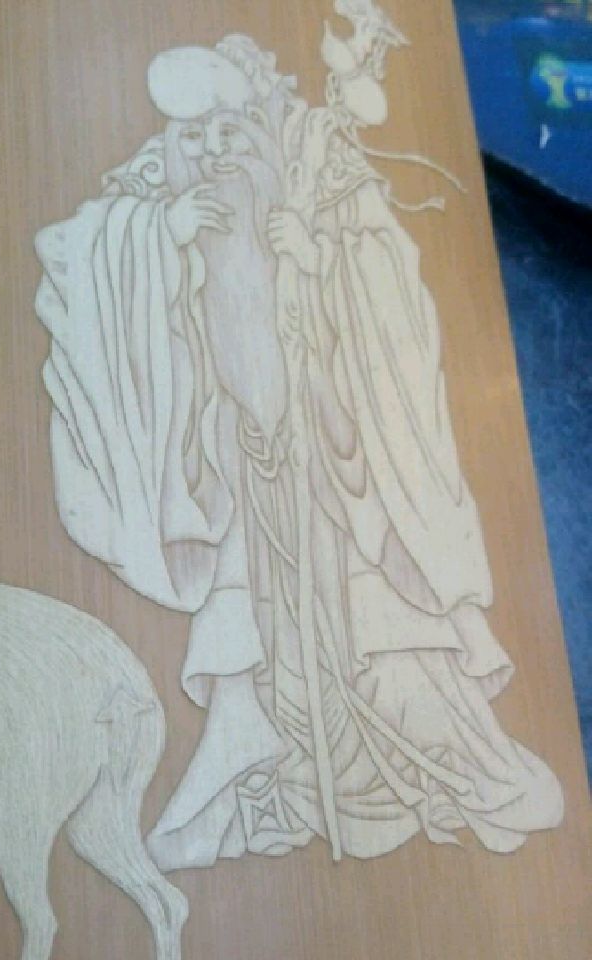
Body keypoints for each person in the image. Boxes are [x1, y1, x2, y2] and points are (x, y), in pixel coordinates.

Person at [35, 28, 563, 870]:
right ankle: (277, 782)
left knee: (373, 621)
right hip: (232, 458)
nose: (216, 154)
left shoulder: (313, 174)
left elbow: (389, 279)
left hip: (332, 446)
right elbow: (77, 254)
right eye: (197, 138)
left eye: (230, 133)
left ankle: (403, 772)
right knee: (259, 628)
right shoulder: (155, 194)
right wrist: (163, 235)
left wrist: (317, 259)